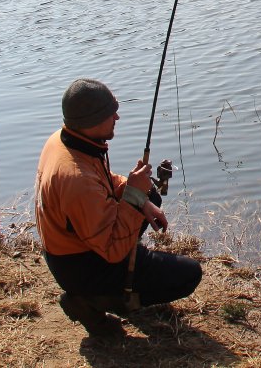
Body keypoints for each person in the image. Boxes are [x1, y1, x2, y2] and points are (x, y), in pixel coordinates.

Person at [35, 78, 202, 337]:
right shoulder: (77, 179)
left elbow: (103, 181)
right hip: (82, 267)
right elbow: (112, 249)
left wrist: (139, 194)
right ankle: (95, 300)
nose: (117, 117)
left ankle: (127, 272)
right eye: (110, 113)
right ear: (92, 120)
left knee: (150, 195)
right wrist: (133, 195)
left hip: (72, 250)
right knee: (189, 274)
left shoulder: (66, 140)